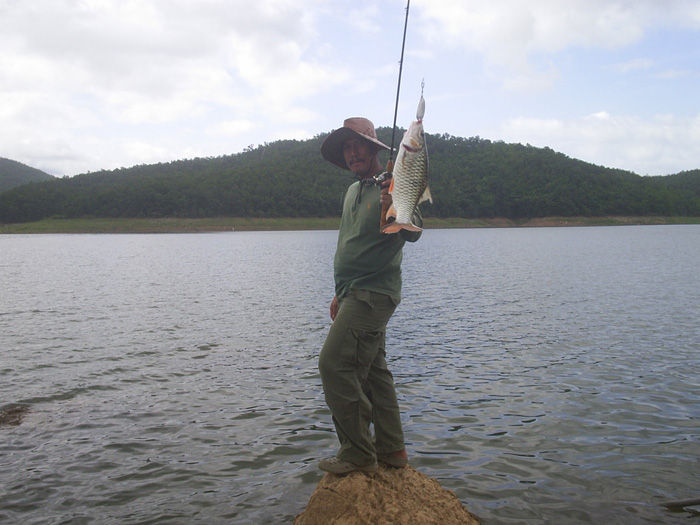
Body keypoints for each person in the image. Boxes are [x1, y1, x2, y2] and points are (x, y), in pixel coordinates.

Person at [317, 117, 423, 475]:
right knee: (375, 373)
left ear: (373, 148)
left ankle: (358, 452)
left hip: (373, 294)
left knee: (334, 366)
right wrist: (338, 293)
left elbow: (414, 232)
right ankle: (392, 450)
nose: (352, 152)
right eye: (346, 147)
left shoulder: (395, 183)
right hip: (351, 294)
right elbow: (348, 243)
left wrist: (395, 205)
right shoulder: (352, 191)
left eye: (357, 144)